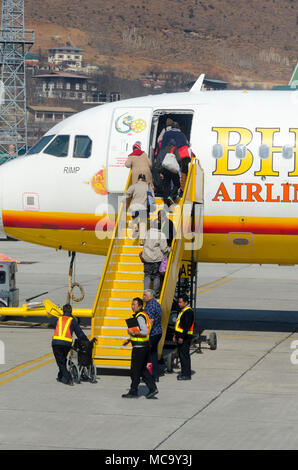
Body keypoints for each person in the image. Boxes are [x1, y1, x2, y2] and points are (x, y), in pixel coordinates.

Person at [122, 297, 158, 398]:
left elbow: (145, 331)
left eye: (134, 304)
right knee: (142, 369)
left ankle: (133, 391)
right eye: (132, 304)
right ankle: (152, 388)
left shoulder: (140, 317)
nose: (132, 306)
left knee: (135, 370)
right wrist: (129, 340)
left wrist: (133, 332)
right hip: (143, 346)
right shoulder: (142, 315)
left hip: (140, 348)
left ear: (140, 306)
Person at [52, 303, 88, 385]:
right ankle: (60, 375)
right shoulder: (72, 321)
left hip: (56, 343)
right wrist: (86, 340)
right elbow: (79, 333)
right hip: (66, 344)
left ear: (63, 311)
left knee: (60, 362)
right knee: (63, 360)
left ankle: (68, 378)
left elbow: (56, 326)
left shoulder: (58, 319)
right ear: (71, 312)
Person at [140, 226, 169, 297]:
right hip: (157, 258)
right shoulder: (161, 235)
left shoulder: (146, 233)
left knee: (147, 276)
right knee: (157, 276)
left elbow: (141, 242)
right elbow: (164, 248)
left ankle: (146, 294)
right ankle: (155, 293)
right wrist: (168, 250)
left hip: (147, 258)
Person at [173, 293, 195, 380]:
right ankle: (184, 372)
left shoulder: (188, 312)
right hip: (180, 336)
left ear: (186, 302)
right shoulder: (183, 310)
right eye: (178, 302)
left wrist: (181, 337)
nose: (179, 304)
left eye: (180, 302)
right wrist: (175, 335)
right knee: (181, 355)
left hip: (185, 337)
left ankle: (186, 374)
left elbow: (186, 326)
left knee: (184, 356)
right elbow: (179, 325)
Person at [143, 289, 162, 382]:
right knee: (153, 354)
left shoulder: (150, 305)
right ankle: (155, 375)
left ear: (150, 296)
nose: (143, 297)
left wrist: (145, 334)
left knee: (148, 355)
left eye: (145, 295)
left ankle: (149, 375)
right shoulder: (155, 303)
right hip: (158, 332)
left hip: (152, 334)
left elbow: (150, 322)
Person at [159, 139, 181, 207]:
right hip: (173, 170)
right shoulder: (176, 150)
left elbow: (159, 160)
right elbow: (179, 159)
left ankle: (166, 201)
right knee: (177, 184)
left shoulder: (163, 150)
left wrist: (160, 171)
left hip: (165, 170)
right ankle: (171, 197)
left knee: (166, 185)